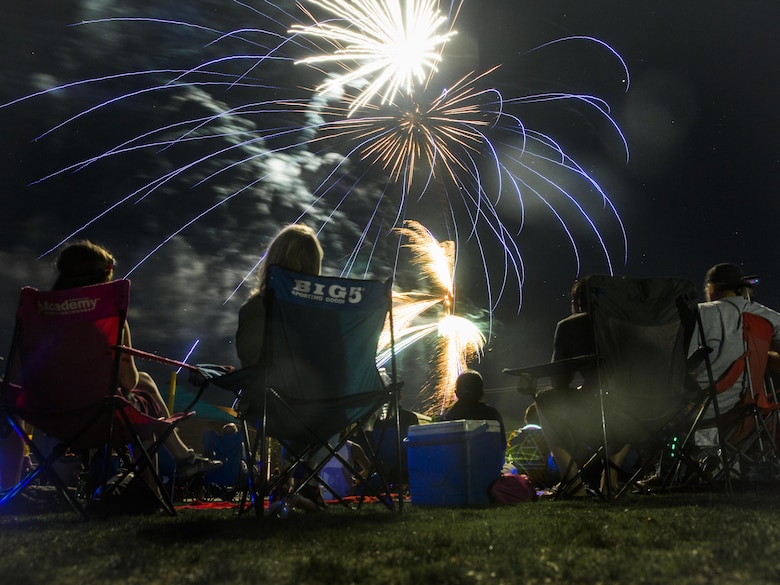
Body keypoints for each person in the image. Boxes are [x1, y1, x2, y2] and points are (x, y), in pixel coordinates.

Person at [51, 240, 222, 479]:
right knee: (143, 412)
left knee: (143, 389)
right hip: (98, 414)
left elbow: (20, 374)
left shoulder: (40, 314)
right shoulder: (111, 318)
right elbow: (128, 381)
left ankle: (182, 458)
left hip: (51, 412)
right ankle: (165, 474)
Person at [235, 224, 325, 511]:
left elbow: (250, 361)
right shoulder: (329, 311)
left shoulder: (255, 308)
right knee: (333, 405)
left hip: (270, 403)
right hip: (327, 404)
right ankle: (304, 482)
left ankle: (287, 481)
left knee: (294, 402)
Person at [534, 278, 629, 497]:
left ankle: (574, 484)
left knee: (543, 399)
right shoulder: (628, 322)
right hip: (641, 405)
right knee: (632, 401)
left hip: (595, 406)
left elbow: (559, 382)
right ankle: (610, 480)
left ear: (577, 303)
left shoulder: (570, 325)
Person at [690, 263, 780, 430]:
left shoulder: (696, 313)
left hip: (693, 411)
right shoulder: (767, 316)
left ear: (711, 288)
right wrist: (760, 356)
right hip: (743, 412)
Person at [235, 224, 324, 368]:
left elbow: (253, 367)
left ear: (272, 260)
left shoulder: (257, 308)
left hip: (266, 390)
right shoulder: (328, 314)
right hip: (313, 390)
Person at [443, 370, 507, 451]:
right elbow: (502, 446)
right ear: (482, 393)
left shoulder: (446, 417)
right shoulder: (492, 414)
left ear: (456, 393)